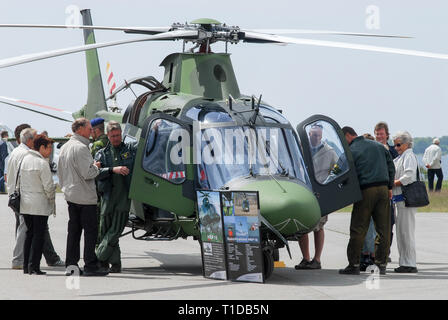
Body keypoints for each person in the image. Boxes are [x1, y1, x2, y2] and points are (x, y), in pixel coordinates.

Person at [339, 126, 395, 275]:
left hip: (366, 191)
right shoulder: (379, 146)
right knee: (383, 229)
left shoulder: (351, 150)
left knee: (358, 228)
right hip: (383, 190)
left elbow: (339, 170)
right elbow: (391, 166)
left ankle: (354, 264)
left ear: (348, 136)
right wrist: (389, 186)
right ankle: (381, 264)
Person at [7, 126, 64, 270]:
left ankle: (29, 262)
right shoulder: (28, 156)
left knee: (28, 230)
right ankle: (22, 260)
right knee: (29, 231)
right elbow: (46, 185)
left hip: (18, 196)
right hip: (29, 200)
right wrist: (51, 202)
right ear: (31, 140)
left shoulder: (15, 152)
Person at [58, 118, 108, 277]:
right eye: (89, 128)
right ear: (79, 129)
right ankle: (91, 265)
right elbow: (88, 173)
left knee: (73, 232)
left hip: (71, 196)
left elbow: (60, 172)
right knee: (90, 232)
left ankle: (71, 265)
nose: (91, 131)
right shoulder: (81, 148)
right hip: (85, 198)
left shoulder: (65, 147)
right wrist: (96, 167)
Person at [295, 123, 338, 270]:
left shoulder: (329, 152)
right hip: (304, 191)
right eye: (313, 135)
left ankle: (317, 259)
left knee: (319, 226)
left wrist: (328, 185)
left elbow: (337, 169)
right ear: (309, 135)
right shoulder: (301, 149)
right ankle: (306, 258)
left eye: (319, 135)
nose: (316, 138)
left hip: (320, 191)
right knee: (302, 226)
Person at [95, 121, 136, 273]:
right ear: (108, 136)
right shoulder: (101, 153)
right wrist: (113, 170)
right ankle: (114, 264)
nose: (116, 138)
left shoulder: (130, 149)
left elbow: (145, 145)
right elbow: (95, 172)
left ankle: (98, 257)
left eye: (118, 135)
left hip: (123, 196)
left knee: (115, 230)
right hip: (107, 196)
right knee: (105, 229)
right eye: (113, 136)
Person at [20, 134, 56, 275]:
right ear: (41, 147)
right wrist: (52, 201)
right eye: (49, 148)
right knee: (38, 235)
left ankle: (26, 265)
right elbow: (48, 186)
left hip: (25, 204)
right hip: (39, 205)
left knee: (29, 234)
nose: (50, 152)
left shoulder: (24, 160)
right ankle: (34, 266)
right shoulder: (42, 163)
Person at [392, 131, 419, 273]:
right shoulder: (400, 157)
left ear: (406, 143)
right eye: (395, 145)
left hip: (406, 202)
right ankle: (404, 261)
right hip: (399, 201)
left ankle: (410, 263)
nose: (396, 147)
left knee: (406, 232)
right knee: (401, 232)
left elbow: (409, 176)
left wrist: (394, 183)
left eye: (398, 144)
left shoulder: (409, 156)